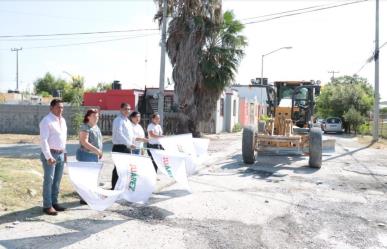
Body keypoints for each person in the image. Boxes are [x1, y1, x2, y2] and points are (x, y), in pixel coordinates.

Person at [39, 99, 67, 215]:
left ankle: (54, 202)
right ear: (51, 108)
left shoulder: (63, 120)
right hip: (50, 154)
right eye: (58, 107)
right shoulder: (46, 121)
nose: (60, 109)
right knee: (49, 180)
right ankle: (47, 205)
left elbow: (63, 138)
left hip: (60, 154)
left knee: (57, 180)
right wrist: (48, 156)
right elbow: (43, 140)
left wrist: (65, 153)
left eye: (62, 107)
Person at [76, 109, 103, 205]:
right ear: (88, 117)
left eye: (98, 116)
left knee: (92, 177)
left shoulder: (95, 127)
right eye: (94, 116)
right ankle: (84, 198)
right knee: (85, 178)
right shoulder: (85, 127)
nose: (97, 118)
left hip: (94, 155)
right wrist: (97, 151)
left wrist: (99, 152)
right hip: (86, 155)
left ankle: (90, 196)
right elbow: (84, 142)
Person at [111, 103, 136, 190]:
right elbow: (119, 134)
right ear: (121, 109)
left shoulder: (128, 121)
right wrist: (129, 144)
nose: (127, 111)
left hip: (127, 148)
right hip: (119, 147)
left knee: (126, 169)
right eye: (125, 109)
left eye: (129, 109)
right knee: (118, 169)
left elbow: (131, 135)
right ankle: (114, 188)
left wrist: (133, 143)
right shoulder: (118, 120)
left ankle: (122, 187)